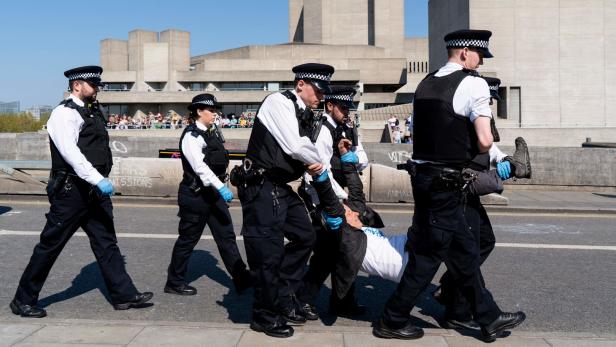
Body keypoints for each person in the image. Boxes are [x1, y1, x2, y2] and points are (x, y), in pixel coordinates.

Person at [373, 30, 526, 343]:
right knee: (428, 257)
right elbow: (484, 140)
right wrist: (495, 160)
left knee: (465, 251)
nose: (481, 62)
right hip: (448, 184)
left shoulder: (426, 83)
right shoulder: (473, 83)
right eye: (480, 56)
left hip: (426, 179)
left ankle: (487, 317)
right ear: (466, 52)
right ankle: (392, 318)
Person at [10, 66, 153, 318]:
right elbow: (71, 153)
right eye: (93, 84)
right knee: (50, 245)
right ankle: (23, 299)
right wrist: (98, 179)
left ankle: (124, 295)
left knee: (107, 242)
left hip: (93, 190)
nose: (97, 88)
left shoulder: (92, 112)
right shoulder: (63, 114)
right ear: (77, 85)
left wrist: (99, 181)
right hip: (72, 191)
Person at [234, 63, 339, 338]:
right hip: (261, 185)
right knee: (267, 254)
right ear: (301, 84)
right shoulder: (278, 102)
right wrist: (316, 162)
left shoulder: (304, 112)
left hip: (279, 186)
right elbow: (295, 146)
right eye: (318, 89)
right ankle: (264, 315)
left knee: (305, 236)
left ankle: (280, 295)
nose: (321, 96)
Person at [164, 94, 251, 296]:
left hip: (213, 194)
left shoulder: (212, 133)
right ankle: (174, 282)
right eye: (211, 110)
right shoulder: (192, 136)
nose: (215, 114)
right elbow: (200, 167)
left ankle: (241, 278)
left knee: (226, 236)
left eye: (215, 110)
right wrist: (220, 187)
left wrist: (219, 187)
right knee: (188, 239)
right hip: (196, 196)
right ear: (198, 111)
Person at [297, 86, 371, 319]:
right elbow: (319, 171)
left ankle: (342, 302)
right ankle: (303, 299)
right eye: (342, 106)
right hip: (323, 198)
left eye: (349, 106)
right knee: (326, 253)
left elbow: (363, 158)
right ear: (330, 106)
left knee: (345, 253)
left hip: (339, 197)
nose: (347, 111)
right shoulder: (322, 131)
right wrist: (343, 199)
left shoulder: (347, 127)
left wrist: (353, 158)